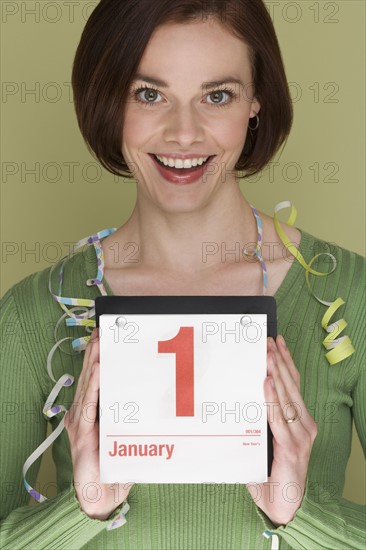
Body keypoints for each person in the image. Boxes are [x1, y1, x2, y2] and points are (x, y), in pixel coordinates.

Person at [0, 1, 364, 549]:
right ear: (108, 99)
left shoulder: (347, 296)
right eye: (149, 94)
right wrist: (84, 511)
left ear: (256, 102)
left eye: (217, 96)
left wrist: (298, 512)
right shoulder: (35, 312)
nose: (184, 133)